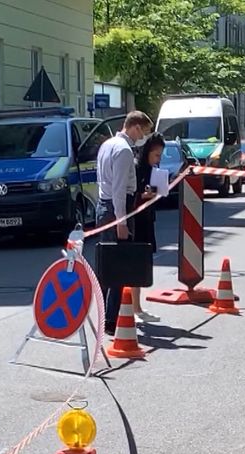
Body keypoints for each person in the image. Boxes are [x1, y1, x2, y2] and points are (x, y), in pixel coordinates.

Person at [92, 110, 153, 335]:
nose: (142, 137)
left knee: (106, 265)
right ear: (135, 127)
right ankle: (111, 320)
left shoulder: (107, 145)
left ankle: (102, 317)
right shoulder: (125, 150)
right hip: (118, 208)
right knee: (120, 267)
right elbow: (119, 189)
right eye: (143, 132)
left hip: (103, 205)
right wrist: (122, 220)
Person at [131, 133, 165, 323]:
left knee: (142, 264)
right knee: (136, 265)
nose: (158, 160)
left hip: (146, 221)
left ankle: (137, 307)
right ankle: (133, 308)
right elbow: (132, 196)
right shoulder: (137, 168)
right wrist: (144, 196)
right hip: (137, 223)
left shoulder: (153, 170)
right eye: (156, 155)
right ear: (147, 153)